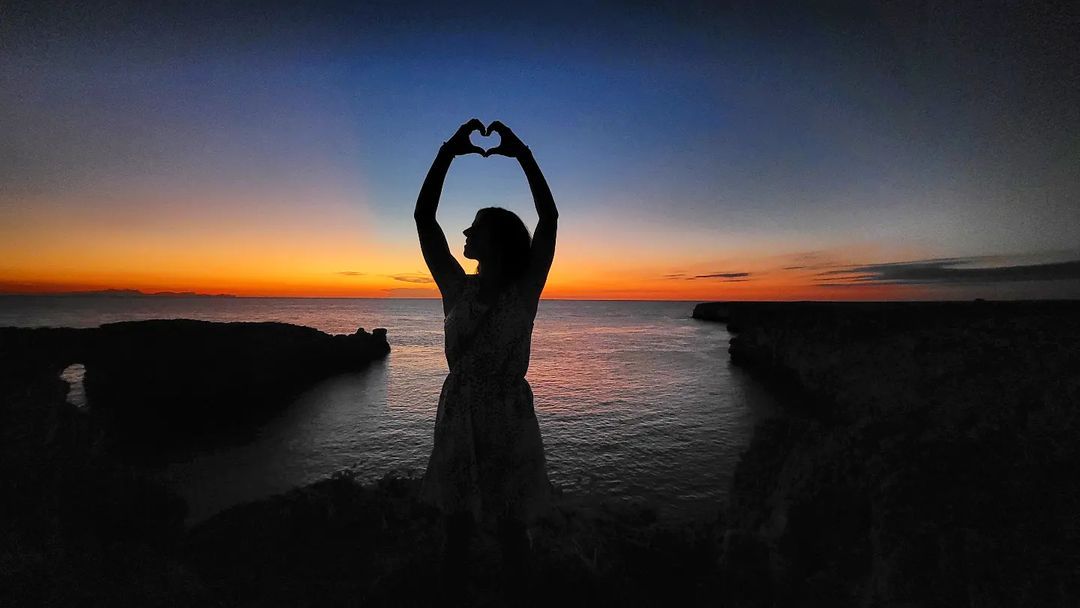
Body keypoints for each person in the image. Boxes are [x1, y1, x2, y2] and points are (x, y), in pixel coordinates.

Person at [414, 118, 557, 583]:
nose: (464, 235)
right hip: (459, 413)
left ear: (494, 240)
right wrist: (446, 153)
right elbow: (424, 220)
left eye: (474, 228)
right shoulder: (456, 288)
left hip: (508, 417)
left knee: (513, 531)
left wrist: (524, 155)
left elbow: (549, 220)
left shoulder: (524, 291)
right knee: (455, 526)